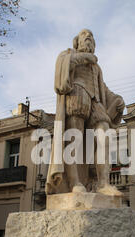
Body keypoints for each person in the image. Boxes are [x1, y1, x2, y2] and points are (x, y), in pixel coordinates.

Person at [46, 29, 125, 196]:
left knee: (104, 136)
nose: (88, 37)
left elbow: (103, 89)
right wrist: (84, 57)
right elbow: (62, 69)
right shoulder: (69, 54)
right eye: (84, 35)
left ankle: (103, 183)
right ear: (77, 42)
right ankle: (75, 182)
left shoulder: (96, 68)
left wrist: (116, 99)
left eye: (91, 36)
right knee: (74, 139)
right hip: (76, 95)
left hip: (95, 102)